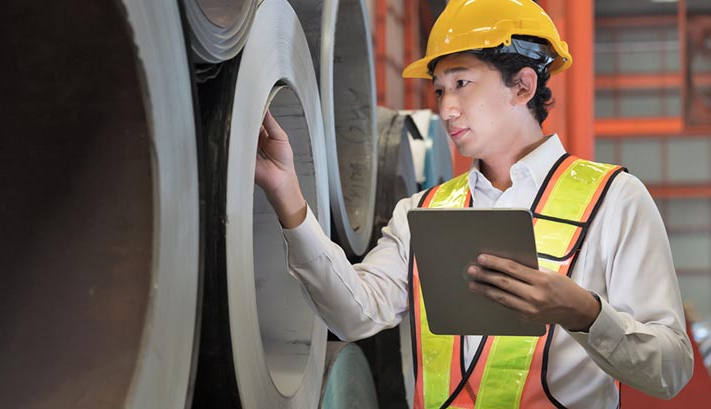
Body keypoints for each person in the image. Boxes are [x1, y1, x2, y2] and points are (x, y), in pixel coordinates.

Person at [254, 0, 693, 407]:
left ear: (523, 86)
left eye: (461, 83)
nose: (446, 109)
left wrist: (585, 314)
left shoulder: (614, 201)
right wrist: (288, 196)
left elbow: (670, 369)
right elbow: (354, 314)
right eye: (440, 90)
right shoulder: (422, 212)